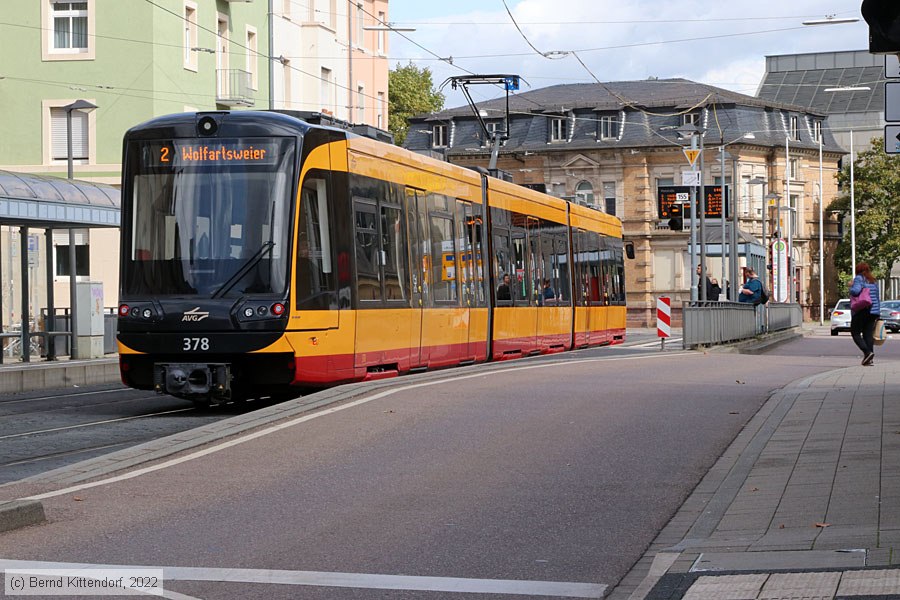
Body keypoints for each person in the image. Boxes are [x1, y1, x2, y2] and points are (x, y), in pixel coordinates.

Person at [850, 261, 881, 366]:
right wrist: (877, 312)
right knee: (868, 334)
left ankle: (867, 352)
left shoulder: (859, 278)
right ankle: (869, 358)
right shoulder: (873, 280)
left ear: (858, 270)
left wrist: (850, 286)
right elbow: (877, 297)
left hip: (862, 309)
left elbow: (856, 291)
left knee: (855, 333)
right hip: (873, 311)